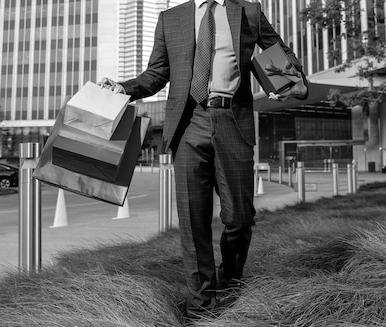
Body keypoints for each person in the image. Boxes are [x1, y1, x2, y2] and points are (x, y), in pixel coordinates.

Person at [98, 0, 308, 317]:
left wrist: (289, 82)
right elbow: (156, 73)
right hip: (188, 123)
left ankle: (231, 279)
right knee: (193, 221)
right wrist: (124, 87)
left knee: (239, 217)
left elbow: (277, 51)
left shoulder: (249, 12)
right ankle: (202, 303)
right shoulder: (171, 18)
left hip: (232, 120)